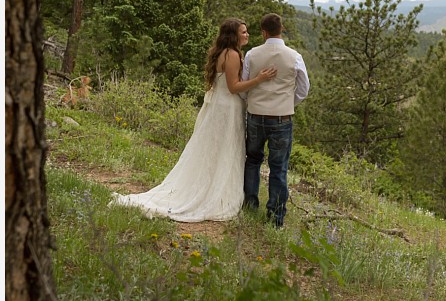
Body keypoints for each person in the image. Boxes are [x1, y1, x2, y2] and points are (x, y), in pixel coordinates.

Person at [113, 19, 277, 221]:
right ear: (233, 35)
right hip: (227, 108)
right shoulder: (232, 54)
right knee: (225, 149)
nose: (247, 35)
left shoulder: (224, 52)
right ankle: (216, 194)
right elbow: (234, 87)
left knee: (216, 150)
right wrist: (259, 79)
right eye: (243, 32)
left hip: (220, 106)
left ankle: (212, 186)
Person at [241, 12, 310, 228]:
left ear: (263, 32)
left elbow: (245, 85)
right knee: (278, 168)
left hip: (255, 115)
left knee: (252, 160)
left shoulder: (252, 54)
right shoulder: (295, 56)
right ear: (281, 30)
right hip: (281, 118)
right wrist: (287, 103)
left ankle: (250, 205)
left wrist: (254, 101)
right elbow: (303, 89)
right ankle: (275, 218)